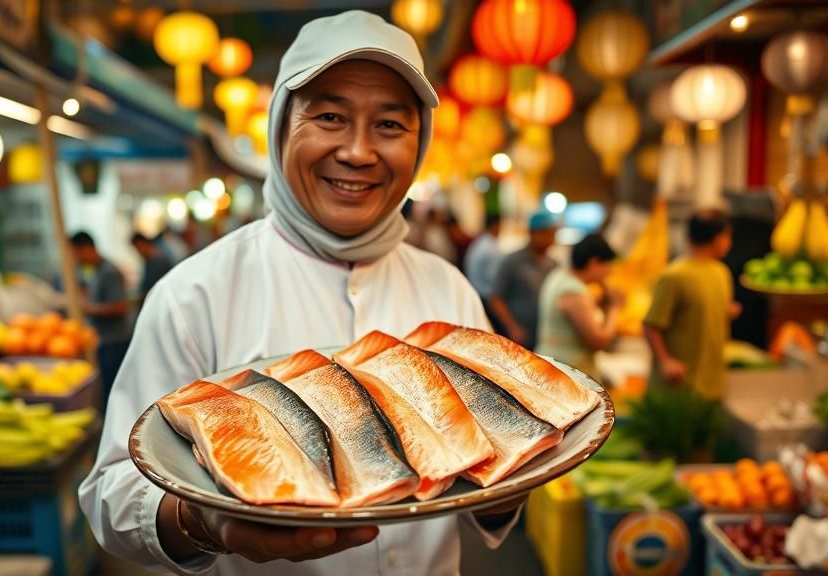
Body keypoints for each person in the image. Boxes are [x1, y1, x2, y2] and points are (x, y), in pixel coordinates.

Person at [79, 11, 525, 575]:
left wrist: (512, 478)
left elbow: (489, 461)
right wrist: (204, 523)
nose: (359, 152)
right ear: (280, 125)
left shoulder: (449, 289)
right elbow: (111, 492)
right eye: (331, 117)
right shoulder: (194, 294)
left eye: (389, 125)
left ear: (420, 143)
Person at [643, 211, 741, 400]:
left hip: (712, 381)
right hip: (679, 385)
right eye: (728, 237)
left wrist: (726, 311)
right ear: (719, 239)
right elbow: (650, 325)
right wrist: (666, 361)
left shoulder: (721, 272)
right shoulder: (674, 276)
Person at [536, 233, 622, 380]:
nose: (609, 271)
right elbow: (598, 340)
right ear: (594, 262)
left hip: (555, 366)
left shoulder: (559, 276)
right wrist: (614, 308)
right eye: (608, 265)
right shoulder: (572, 290)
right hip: (567, 372)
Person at [69, 231, 131, 402]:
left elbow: (120, 307)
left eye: (76, 253)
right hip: (104, 340)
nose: (76, 259)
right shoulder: (95, 271)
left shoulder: (109, 272)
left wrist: (89, 309)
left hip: (114, 342)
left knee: (114, 393)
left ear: (86, 249)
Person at [488, 211, 558, 349]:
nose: (550, 239)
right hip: (520, 337)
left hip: (545, 337)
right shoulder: (512, 261)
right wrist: (513, 327)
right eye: (545, 234)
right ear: (532, 233)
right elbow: (496, 299)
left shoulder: (553, 264)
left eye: (552, 234)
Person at [464, 213, 504, 300]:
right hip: (484, 295)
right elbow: (495, 277)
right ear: (495, 226)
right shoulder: (490, 247)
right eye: (500, 226)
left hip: (475, 290)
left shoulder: (481, 241)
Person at [130, 232, 175, 300]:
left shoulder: (159, 261)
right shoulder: (149, 261)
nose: (138, 252)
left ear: (144, 244)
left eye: (138, 248)